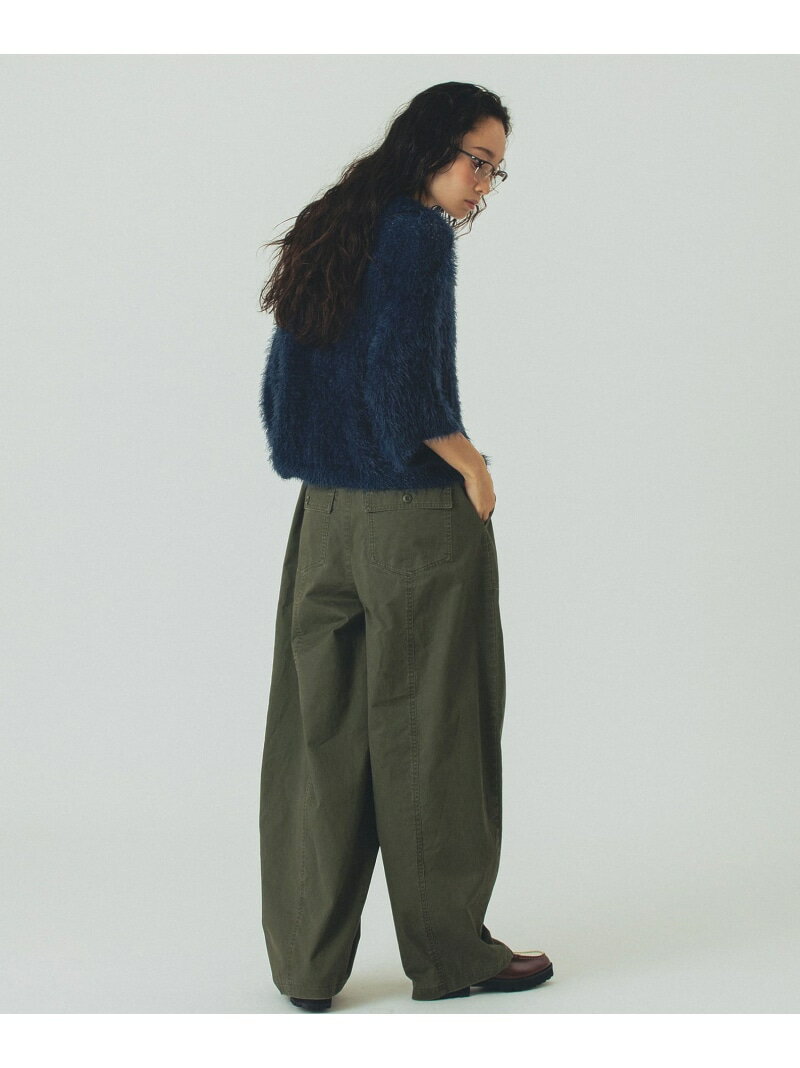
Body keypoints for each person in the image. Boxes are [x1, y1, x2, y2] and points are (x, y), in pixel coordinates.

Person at [257, 81, 553, 1011]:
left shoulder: (332, 224)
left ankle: (306, 968)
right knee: (435, 734)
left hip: (324, 519)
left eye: (496, 171)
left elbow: (280, 389)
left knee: (318, 739)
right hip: (414, 522)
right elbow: (404, 389)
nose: (484, 184)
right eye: (478, 161)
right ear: (431, 145)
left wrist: (327, 460)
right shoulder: (418, 235)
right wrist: (471, 466)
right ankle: (449, 955)